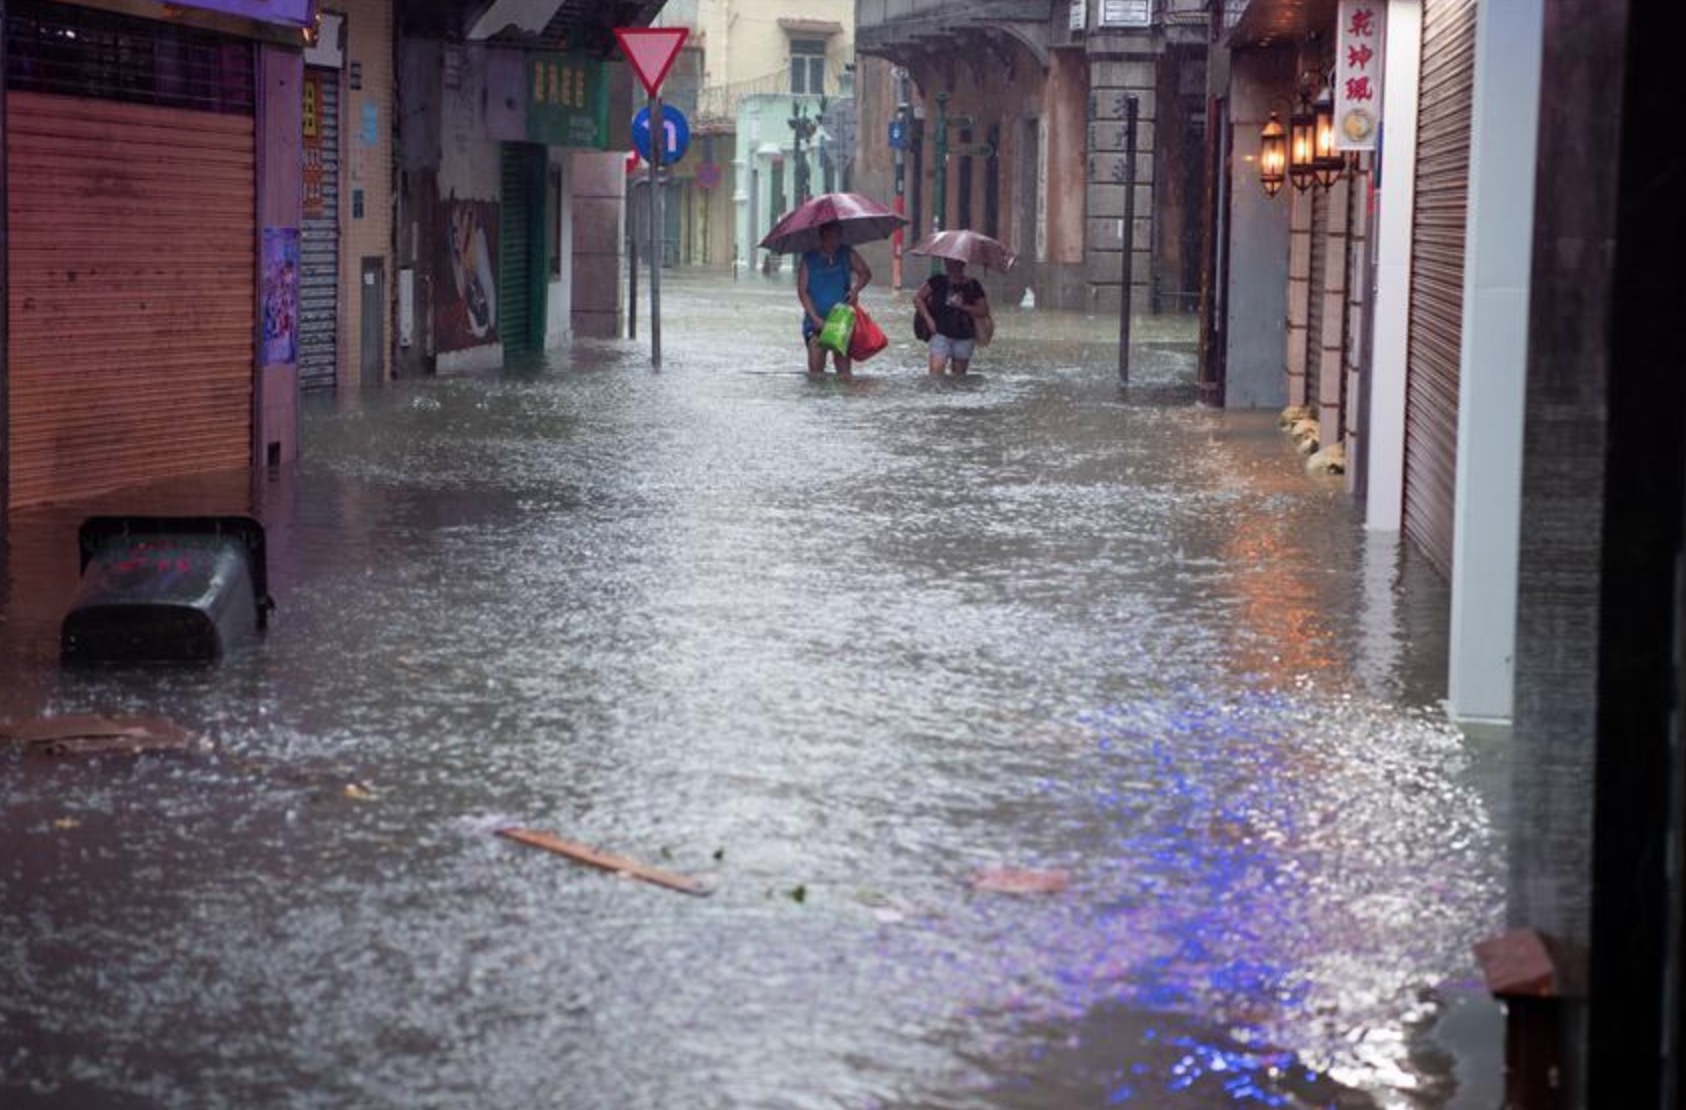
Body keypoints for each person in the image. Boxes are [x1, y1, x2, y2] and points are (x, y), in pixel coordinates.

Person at [797, 221, 872, 377]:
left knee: (844, 374)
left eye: (837, 237)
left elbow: (865, 273)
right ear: (822, 237)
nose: (833, 242)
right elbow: (803, 291)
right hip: (815, 324)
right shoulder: (808, 259)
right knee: (816, 375)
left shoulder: (846, 253)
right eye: (830, 238)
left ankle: (841, 400)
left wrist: (856, 289)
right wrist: (815, 318)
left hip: (841, 320)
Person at [914, 258, 990, 376]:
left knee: (959, 377)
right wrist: (928, 319)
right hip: (940, 332)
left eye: (956, 262)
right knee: (936, 375)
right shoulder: (937, 281)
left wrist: (963, 306)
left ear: (963, 264)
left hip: (965, 335)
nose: (951, 265)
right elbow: (918, 298)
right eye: (948, 261)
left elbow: (983, 310)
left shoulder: (972, 285)